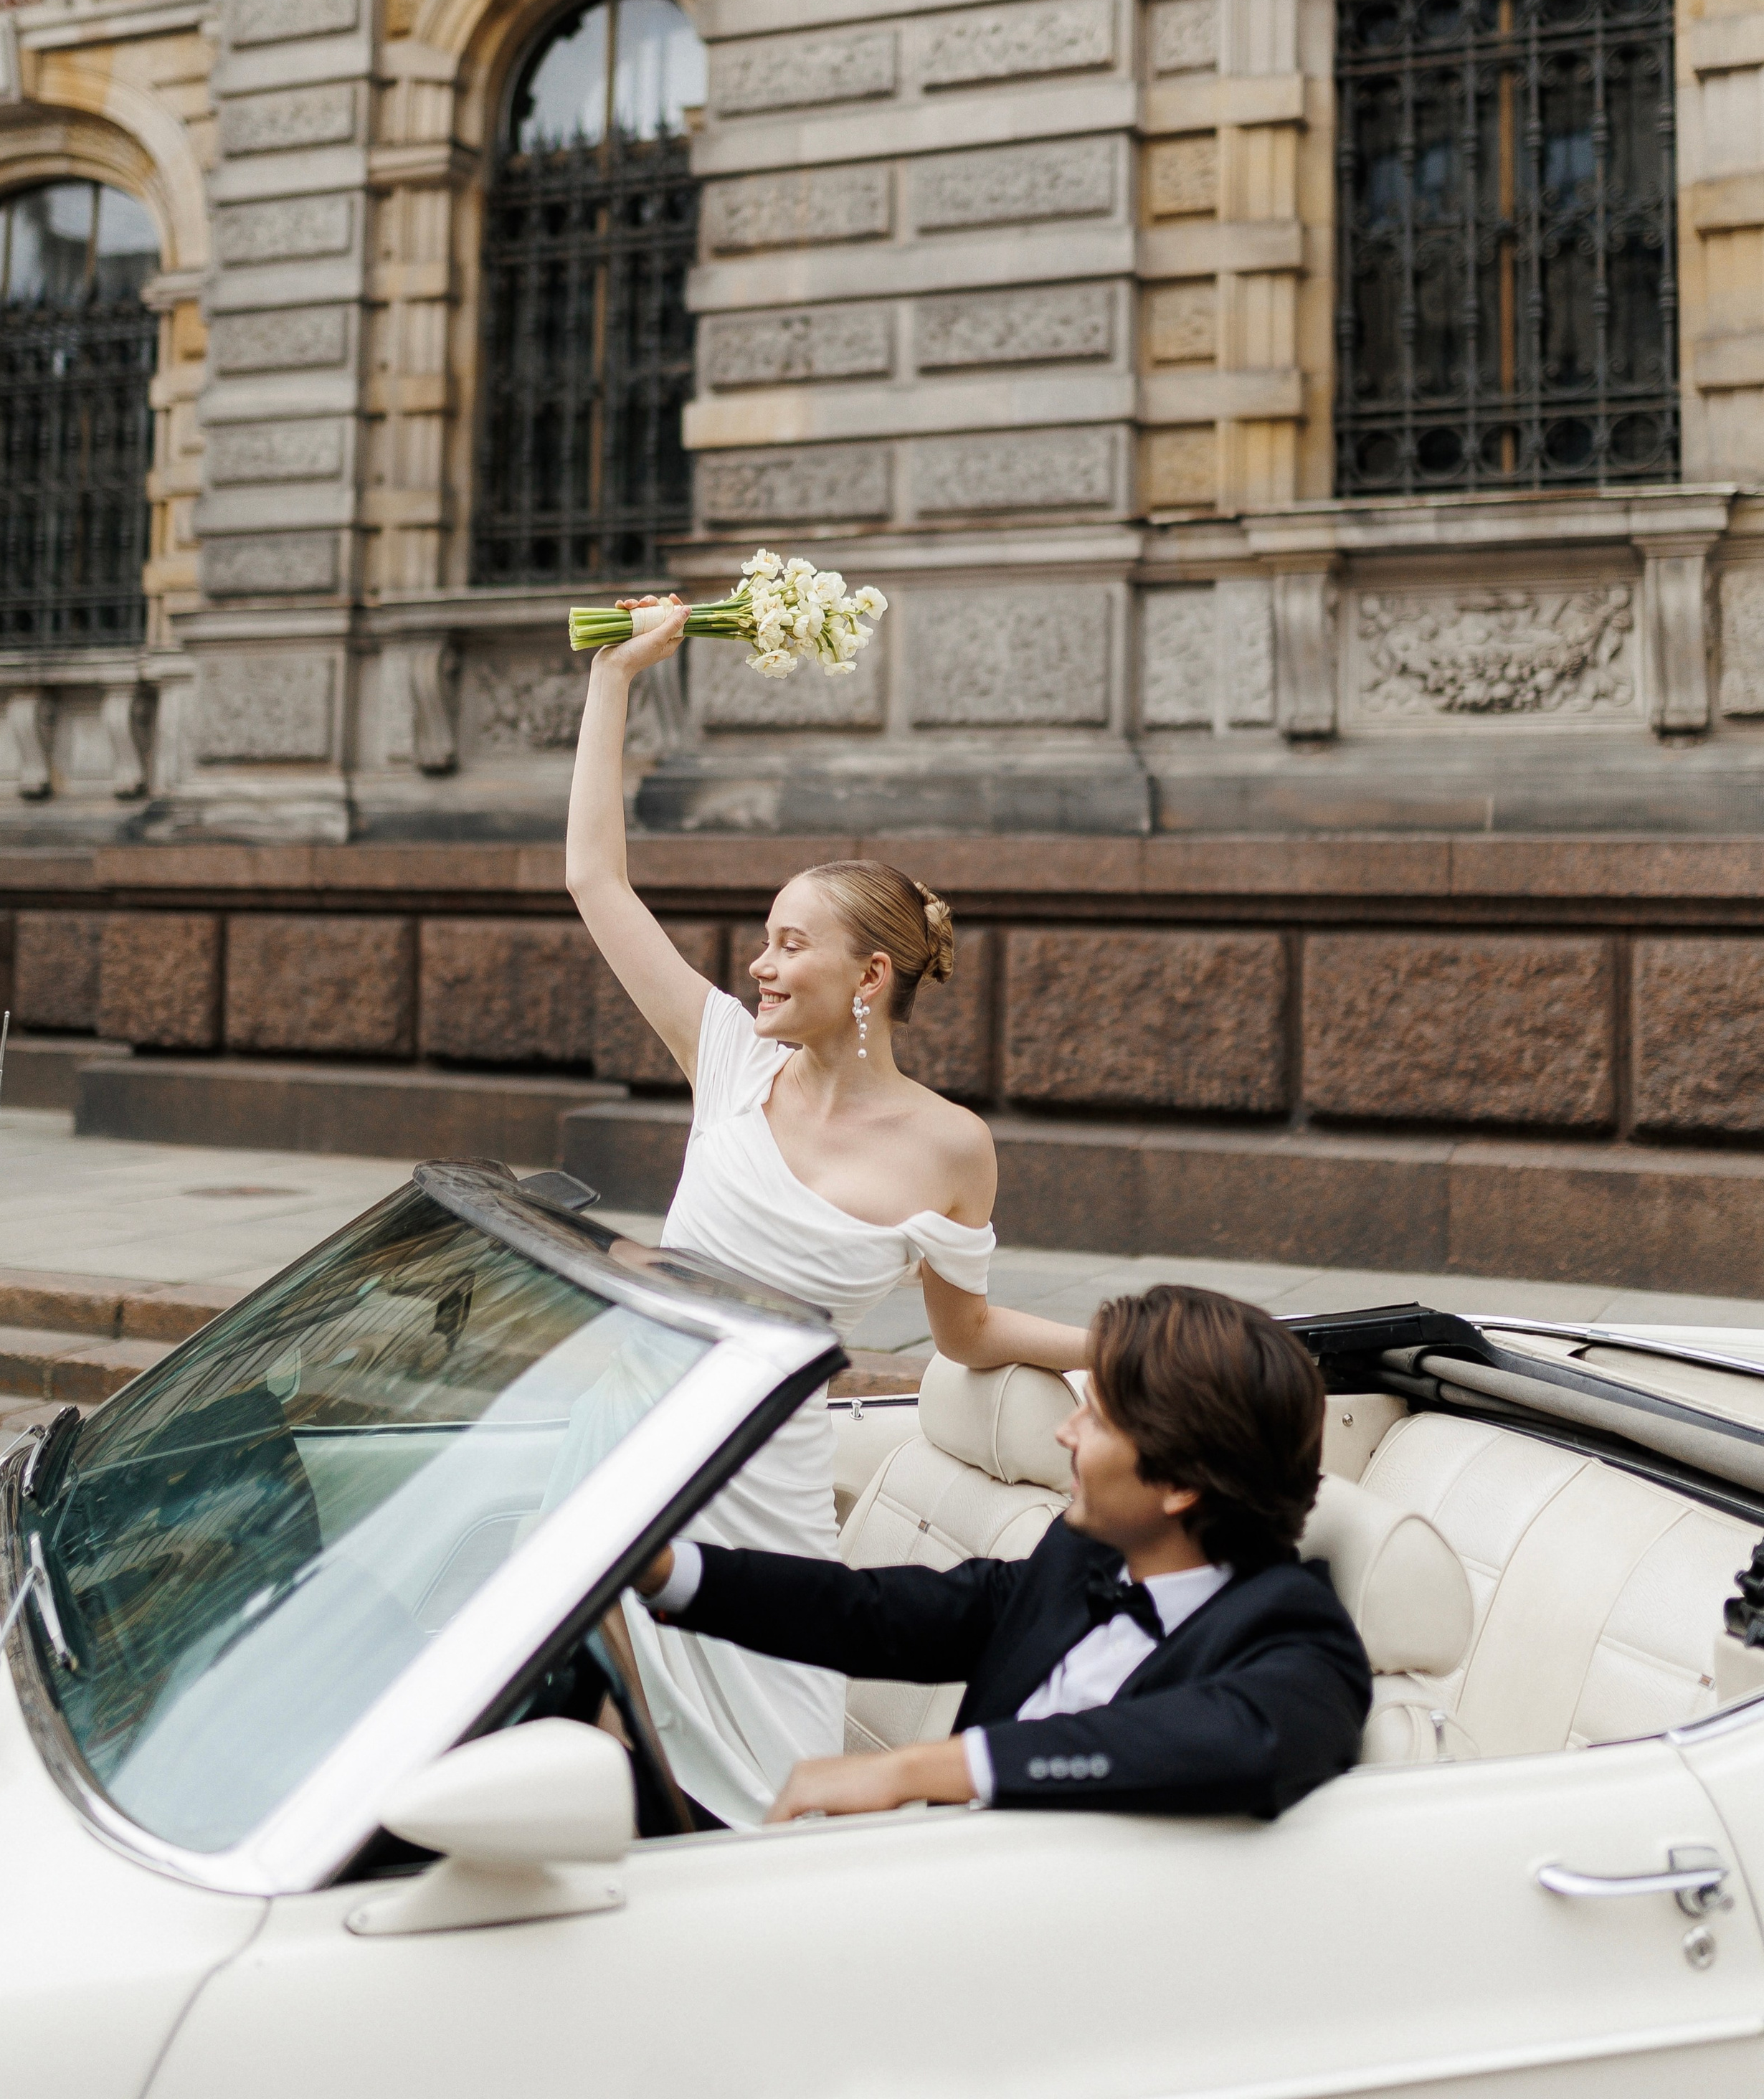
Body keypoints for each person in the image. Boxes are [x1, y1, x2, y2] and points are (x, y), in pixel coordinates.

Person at [564, 597, 1091, 1828]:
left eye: (789, 943)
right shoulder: (729, 1061)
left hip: (772, 1478)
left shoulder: (954, 1148)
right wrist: (616, 679)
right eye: (760, 939)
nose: (759, 963)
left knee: (767, 1779)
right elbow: (594, 875)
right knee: (592, 1712)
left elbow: (961, 1338)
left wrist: (1109, 1349)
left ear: (868, 977)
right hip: (639, 1437)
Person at [635, 1286, 1372, 1824]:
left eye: (1099, 1417)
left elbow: (1239, 1741)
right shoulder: (1082, 1559)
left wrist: (916, 1769)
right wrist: (668, 1571)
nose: (1065, 1433)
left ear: (1180, 1481)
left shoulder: (1298, 1637)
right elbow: (875, 1613)